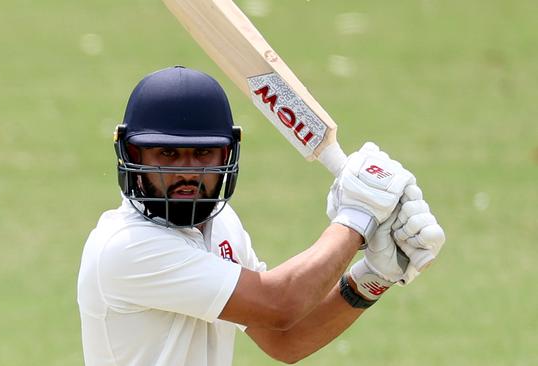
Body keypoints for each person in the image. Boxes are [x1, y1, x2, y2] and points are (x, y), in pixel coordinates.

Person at [77, 66, 445, 365]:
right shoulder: (125, 248)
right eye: (168, 155)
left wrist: (374, 276)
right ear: (133, 155)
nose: (188, 172)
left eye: (203, 154)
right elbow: (280, 304)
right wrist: (357, 219)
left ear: (227, 155)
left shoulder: (221, 224)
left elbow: (284, 339)